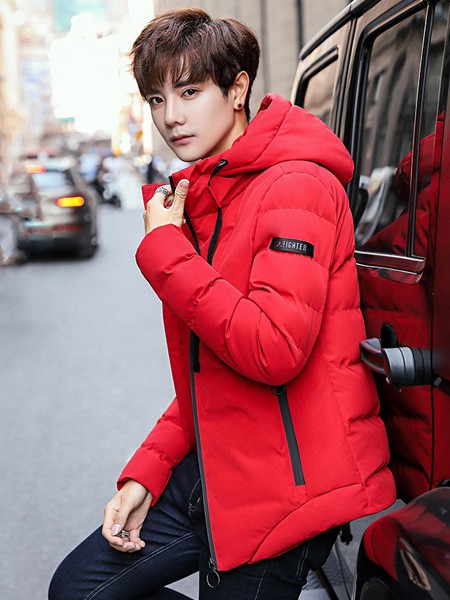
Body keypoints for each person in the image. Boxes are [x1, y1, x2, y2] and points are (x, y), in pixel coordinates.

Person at [49, 8, 396, 599]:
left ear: (237, 90)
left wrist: (166, 252)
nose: (171, 116)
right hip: (218, 464)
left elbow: (273, 350)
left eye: (189, 92)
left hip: (287, 484)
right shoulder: (211, 194)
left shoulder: (295, 185)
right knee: (78, 588)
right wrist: (147, 474)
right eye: (157, 99)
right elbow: (208, 373)